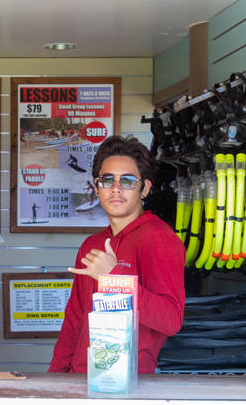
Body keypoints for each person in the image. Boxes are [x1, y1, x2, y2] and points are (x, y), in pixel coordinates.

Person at [49, 135, 185, 374]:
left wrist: (114, 278)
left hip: (129, 386)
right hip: (80, 380)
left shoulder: (158, 238)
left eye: (128, 181)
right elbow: (75, 321)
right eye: (107, 180)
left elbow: (170, 320)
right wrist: (55, 379)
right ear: (96, 187)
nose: (116, 188)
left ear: (145, 188)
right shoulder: (92, 244)